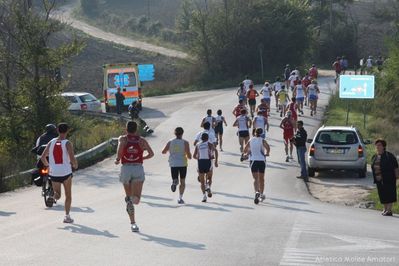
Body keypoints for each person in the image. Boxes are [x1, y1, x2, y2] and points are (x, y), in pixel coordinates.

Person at [115, 121, 154, 232]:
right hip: (137, 168)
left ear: (126, 129)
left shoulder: (122, 139)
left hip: (126, 168)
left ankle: (133, 223)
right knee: (136, 199)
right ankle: (130, 200)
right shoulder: (142, 140)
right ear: (136, 129)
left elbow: (119, 150)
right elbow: (151, 154)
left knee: (129, 199)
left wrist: (117, 159)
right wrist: (142, 158)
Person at [40, 123, 78, 223]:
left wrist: (48, 166)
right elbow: (72, 158)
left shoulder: (51, 142)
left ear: (57, 130)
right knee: (68, 195)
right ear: (67, 131)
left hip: (54, 172)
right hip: (65, 172)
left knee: (58, 194)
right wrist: (75, 165)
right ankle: (67, 216)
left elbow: (43, 157)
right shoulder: (67, 143)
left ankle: (52, 197)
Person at [162, 127, 192, 204]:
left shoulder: (170, 142)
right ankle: (180, 198)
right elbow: (189, 156)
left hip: (173, 163)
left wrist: (170, 150)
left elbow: (163, 152)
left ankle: (174, 182)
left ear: (174, 133)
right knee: (183, 182)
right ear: (182, 133)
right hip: (182, 163)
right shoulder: (185, 142)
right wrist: (188, 155)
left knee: (175, 178)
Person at [371, 139, 399, 216]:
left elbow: (396, 167)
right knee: (382, 194)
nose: (377, 147)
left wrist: (397, 177)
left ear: (384, 146)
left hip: (389, 178)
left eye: (379, 145)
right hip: (378, 179)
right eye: (376, 145)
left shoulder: (389, 156)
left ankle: (389, 210)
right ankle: (385, 208)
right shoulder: (375, 156)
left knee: (390, 193)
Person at [243, 128, 270, 204]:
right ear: (262, 134)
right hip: (261, 161)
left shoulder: (251, 140)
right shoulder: (262, 140)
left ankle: (256, 192)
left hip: (253, 161)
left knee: (255, 179)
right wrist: (267, 153)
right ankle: (261, 194)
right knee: (262, 179)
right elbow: (267, 147)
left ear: (254, 133)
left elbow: (245, 149)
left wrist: (248, 153)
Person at [193, 133, 218, 203]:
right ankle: (208, 187)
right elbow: (215, 151)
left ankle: (204, 196)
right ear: (207, 138)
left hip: (200, 162)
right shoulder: (210, 144)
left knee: (202, 182)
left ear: (201, 138)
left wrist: (199, 157)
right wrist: (216, 161)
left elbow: (194, 156)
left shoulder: (198, 145)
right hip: (208, 162)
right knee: (209, 178)